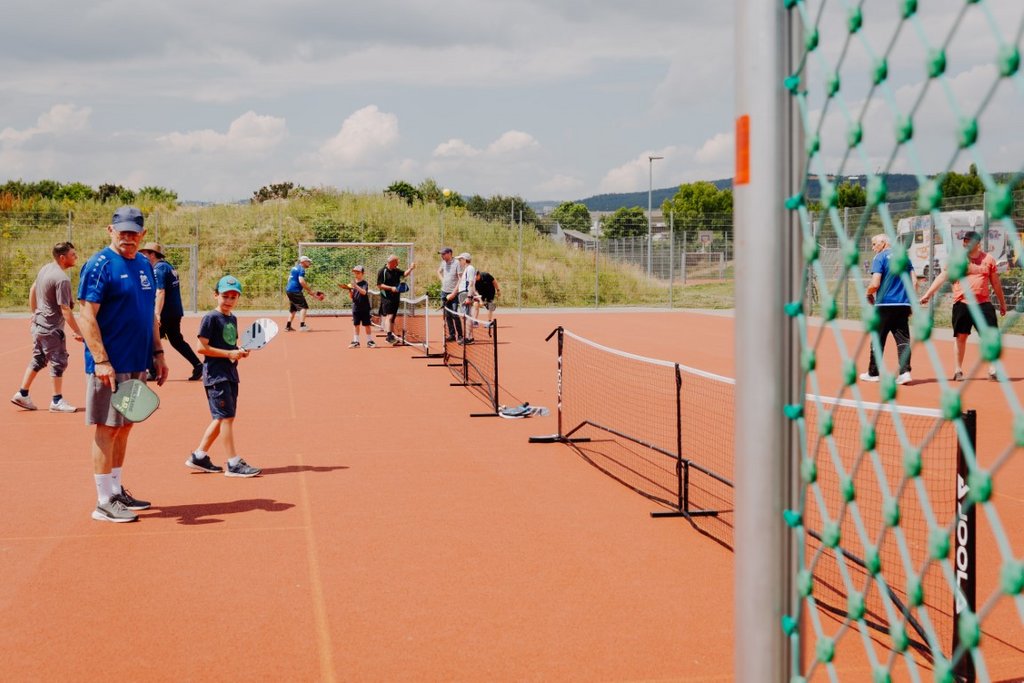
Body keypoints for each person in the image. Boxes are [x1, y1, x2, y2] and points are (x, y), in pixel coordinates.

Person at [77, 206, 168, 523]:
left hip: (138, 361)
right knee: (107, 427)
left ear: (142, 235)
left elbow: (149, 316)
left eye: (134, 232)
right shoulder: (100, 265)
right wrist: (101, 360)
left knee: (125, 425)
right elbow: (87, 314)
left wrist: (158, 353)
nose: (128, 237)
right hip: (111, 365)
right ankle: (103, 501)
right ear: (110, 231)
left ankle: (115, 489)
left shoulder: (144, 264)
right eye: (122, 231)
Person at [185, 275, 261, 477]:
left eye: (233, 297)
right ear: (215, 295)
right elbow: (201, 348)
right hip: (216, 376)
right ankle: (233, 464)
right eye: (225, 296)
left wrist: (239, 351)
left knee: (221, 418)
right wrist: (228, 354)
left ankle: (199, 456)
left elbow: (230, 346)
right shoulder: (211, 318)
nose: (228, 300)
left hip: (229, 373)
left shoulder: (232, 318)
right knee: (227, 418)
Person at [920, 230, 1007, 381]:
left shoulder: (989, 259)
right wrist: (928, 294)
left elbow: (996, 282)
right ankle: (958, 370)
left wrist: (1002, 302)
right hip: (963, 303)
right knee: (961, 337)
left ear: (977, 243)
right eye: (964, 240)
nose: (965, 243)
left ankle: (993, 369)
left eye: (968, 241)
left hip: (983, 304)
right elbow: (943, 276)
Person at [11, 241, 84, 413]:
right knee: (58, 362)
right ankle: (57, 401)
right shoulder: (62, 279)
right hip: (51, 329)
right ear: (62, 257)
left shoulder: (45, 268)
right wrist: (77, 331)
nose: (76, 257)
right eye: (73, 255)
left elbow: (33, 289)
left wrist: (34, 312)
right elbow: (65, 309)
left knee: (38, 359)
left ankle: (22, 393)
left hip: (38, 325)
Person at [139, 242, 203, 381]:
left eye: (145, 253)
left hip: (165, 313)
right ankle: (198, 365)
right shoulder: (168, 266)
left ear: (152, 254)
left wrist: (157, 314)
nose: (142, 256)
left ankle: (153, 371)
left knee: (149, 339)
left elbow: (161, 291)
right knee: (176, 341)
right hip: (174, 311)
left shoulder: (158, 269)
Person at [859, 233, 917, 385]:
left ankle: (873, 373)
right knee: (903, 340)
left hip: (884, 304)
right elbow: (914, 281)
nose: (873, 248)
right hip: (903, 305)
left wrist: (868, 293)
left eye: (874, 244)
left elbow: (875, 283)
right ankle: (905, 372)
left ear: (883, 243)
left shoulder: (880, 258)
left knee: (877, 339)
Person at [376, 254, 416, 344]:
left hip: (396, 297)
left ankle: (392, 336)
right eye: (396, 262)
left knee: (393, 317)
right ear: (391, 262)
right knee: (389, 316)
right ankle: (389, 336)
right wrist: (391, 288)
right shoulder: (382, 271)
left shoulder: (395, 270)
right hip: (386, 297)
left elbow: (404, 274)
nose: (398, 263)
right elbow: (379, 285)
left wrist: (411, 268)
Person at [436, 247, 463, 342]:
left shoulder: (457, 263)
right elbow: (438, 271)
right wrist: (443, 280)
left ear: (449, 253)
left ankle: (460, 336)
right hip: (444, 292)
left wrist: (454, 293)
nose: (442, 256)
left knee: (455, 314)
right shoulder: (443, 263)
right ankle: (452, 335)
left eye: (443, 254)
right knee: (447, 315)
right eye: (441, 254)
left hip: (454, 293)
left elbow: (460, 279)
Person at [450, 253, 476, 344]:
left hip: (465, 294)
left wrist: (469, 297)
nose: (459, 261)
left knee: (467, 316)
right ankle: (469, 337)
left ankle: (469, 338)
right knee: (465, 316)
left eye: (460, 259)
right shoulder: (467, 269)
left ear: (465, 260)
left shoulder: (470, 268)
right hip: (463, 294)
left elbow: (471, 283)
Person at [347, 265, 376, 348]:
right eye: (355, 272)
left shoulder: (364, 283)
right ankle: (356, 341)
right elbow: (352, 296)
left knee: (367, 324)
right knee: (356, 325)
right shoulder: (352, 283)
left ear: (362, 273)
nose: (356, 274)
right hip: (356, 307)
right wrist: (350, 290)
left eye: (358, 272)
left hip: (364, 307)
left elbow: (364, 292)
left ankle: (369, 341)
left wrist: (355, 286)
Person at [285, 255, 316, 332]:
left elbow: (289, 278)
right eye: (308, 262)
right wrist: (309, 291)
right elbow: (301, 281)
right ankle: (302, 326)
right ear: (303, 262)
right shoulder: (301, 269)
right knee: (303, 307)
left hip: (289, 290)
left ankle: (288, 327)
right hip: (295, 291)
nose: (309, 263)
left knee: (293, 309)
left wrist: (289, 288)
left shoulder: (294, 268)